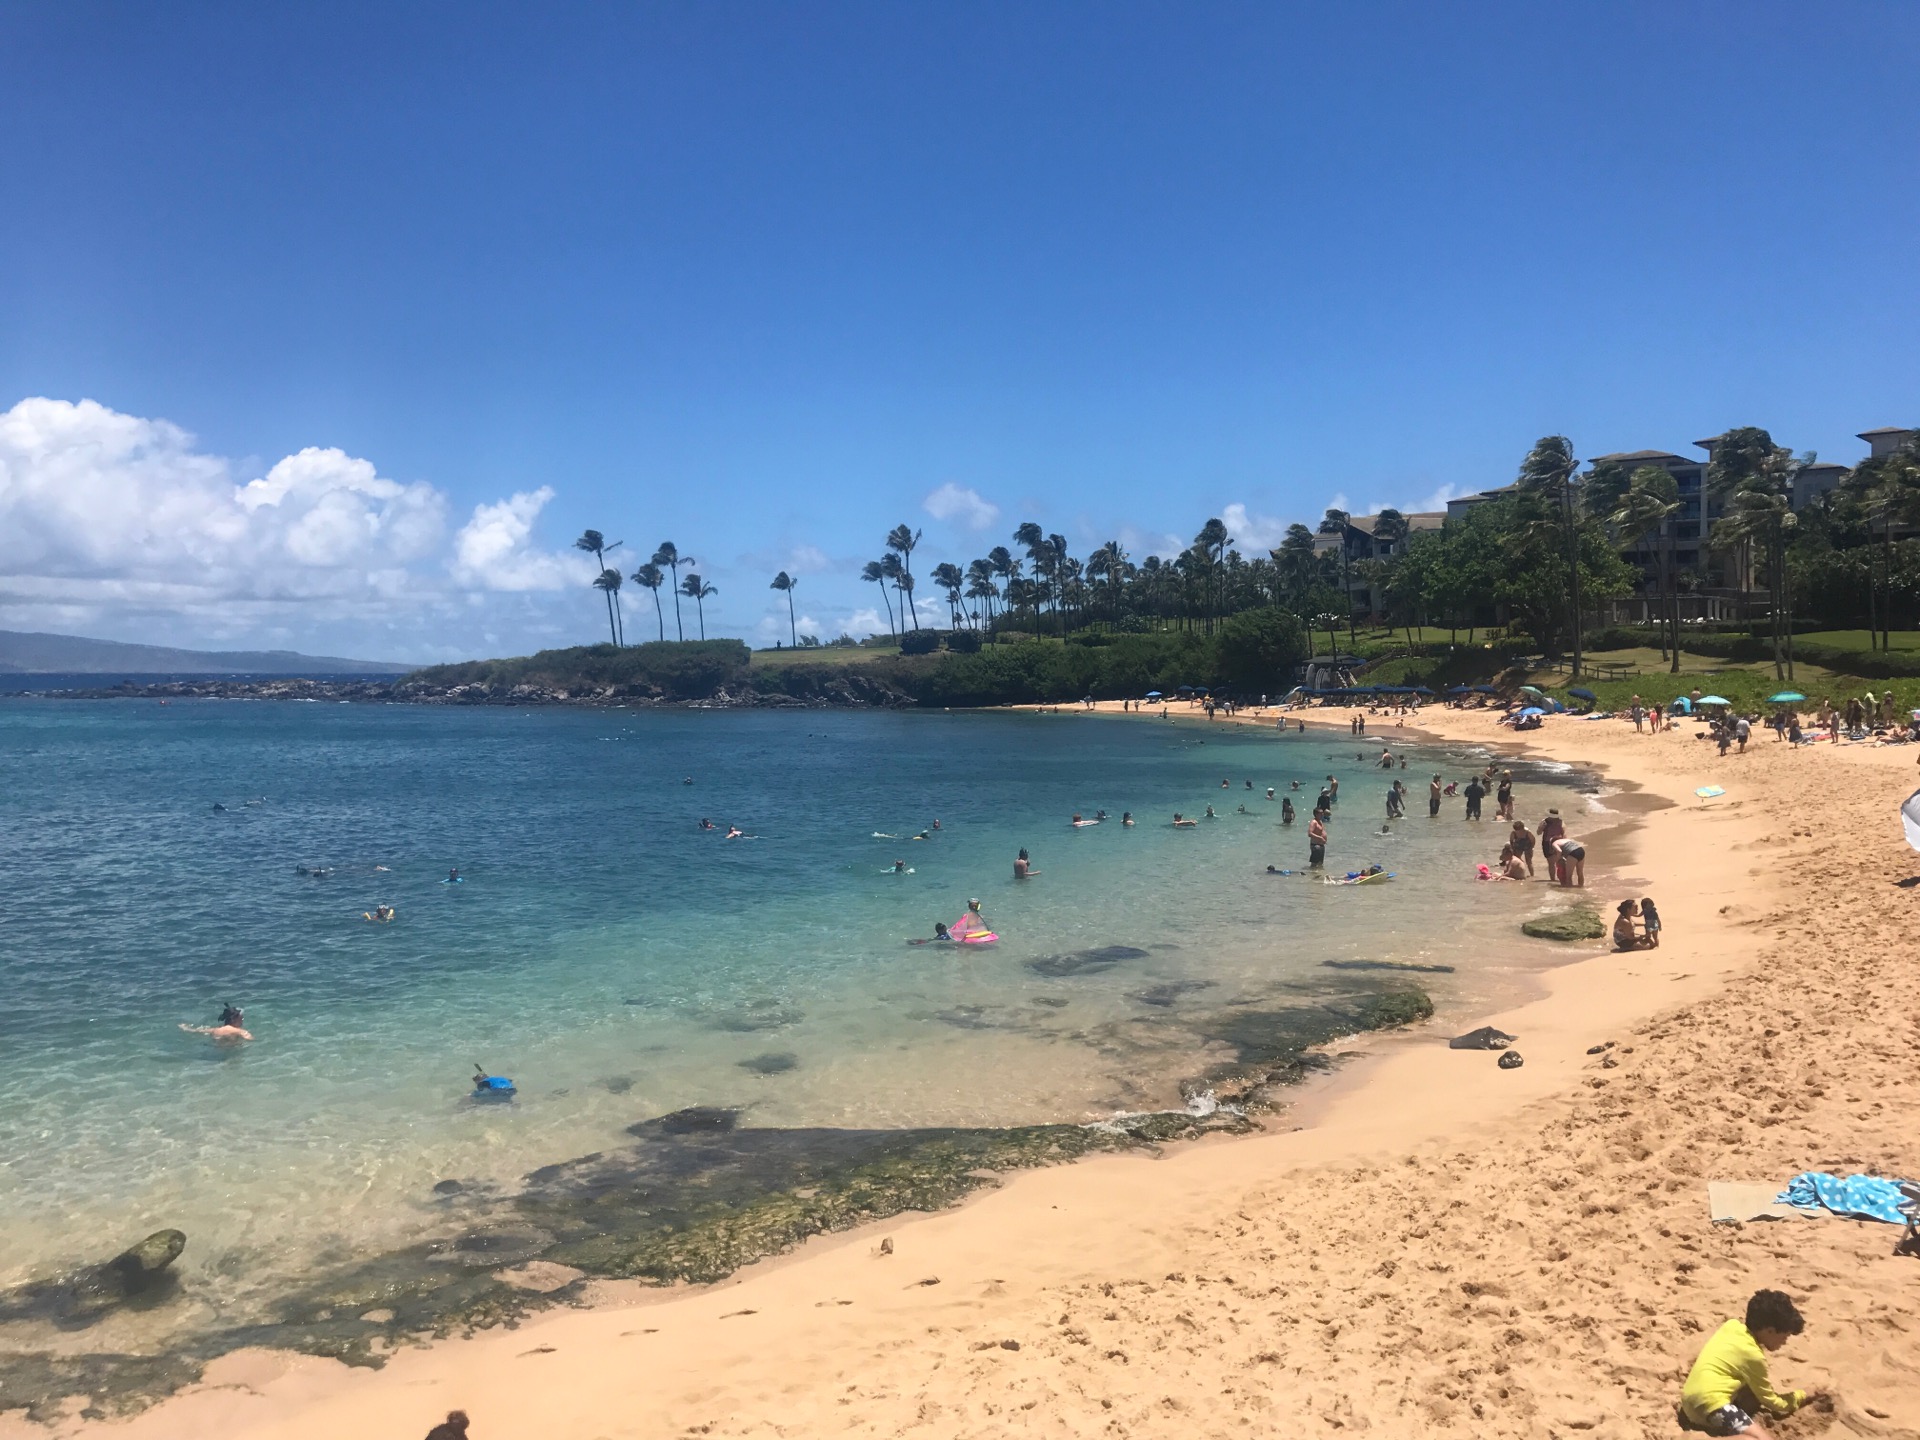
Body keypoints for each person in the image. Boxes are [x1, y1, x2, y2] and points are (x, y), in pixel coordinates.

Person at [1678, 1290, 1811, 1437]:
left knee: (1750, 1391)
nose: (1785, 1342)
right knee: (1761, 1437)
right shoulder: (1753, 1356)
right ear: (1770, 1331)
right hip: (1709, 1406)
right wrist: (1801, 1396)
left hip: (1689, 1399)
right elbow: (1771, 1400)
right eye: (1784, 1337)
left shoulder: (1731, 1326)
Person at [180, 1004, 252, 1043]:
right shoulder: (239, 1031)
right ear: (235, 1020)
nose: (242, 1020)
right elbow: (251, 1040)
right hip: (230, 1053)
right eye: (241, 1019)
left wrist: (185, 1027)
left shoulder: (215, 1030)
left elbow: (196, 1031)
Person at [1539, 807, 1566, 879]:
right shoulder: (1559, 822)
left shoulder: (1560, 822)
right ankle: (1554, 879)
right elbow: (1539, 832)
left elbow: (1564, 833)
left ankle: (1556, 878)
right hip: (1552, 842)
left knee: (1554, 862)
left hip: (1552, 842)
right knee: (1553, 862)